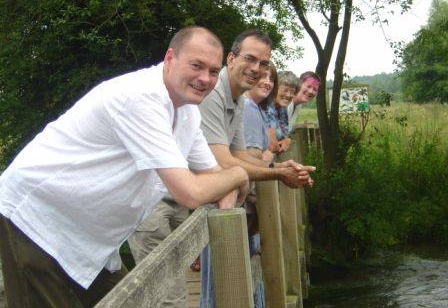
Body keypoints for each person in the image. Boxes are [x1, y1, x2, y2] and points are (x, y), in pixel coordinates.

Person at [0, 26, 250, 308]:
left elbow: (213, 177)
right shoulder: (141, 98)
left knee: (130, 299)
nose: (205, 78)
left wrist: (228, 185)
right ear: (170, 58)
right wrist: (240, 174)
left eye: (214, 71)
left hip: (91, 236)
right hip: (38, 217)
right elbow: (190, 192)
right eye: (196, 65)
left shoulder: (188, 112)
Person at [198, 29, 315, 308]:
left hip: (205, 198)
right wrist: (278, 173)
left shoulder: (238, 98)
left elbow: (237, 154)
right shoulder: (214, 92)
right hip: (167, 197)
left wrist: (281, 165)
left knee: (228, 284)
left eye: (264, 64)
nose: (257, 70)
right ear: (230, 58)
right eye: (249, 59)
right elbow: (224, 160)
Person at [242, 61, 278, 307]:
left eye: (271, 78)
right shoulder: (248, 108)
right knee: (244, 271)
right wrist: (267, 160)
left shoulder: (253, 107)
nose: (267, 81)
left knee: (250, 266)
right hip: (244, 202)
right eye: (262, 76)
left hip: (248, 200)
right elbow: (253, 155)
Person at [266, 71, 299, 153]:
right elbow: (272, 146)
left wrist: (288, 140)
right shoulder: (267, 106)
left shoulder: (282, 109)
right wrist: (281, 144)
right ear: (274, 89)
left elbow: (284, 136)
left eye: (292, 91)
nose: (288, 95)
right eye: (285, 90)